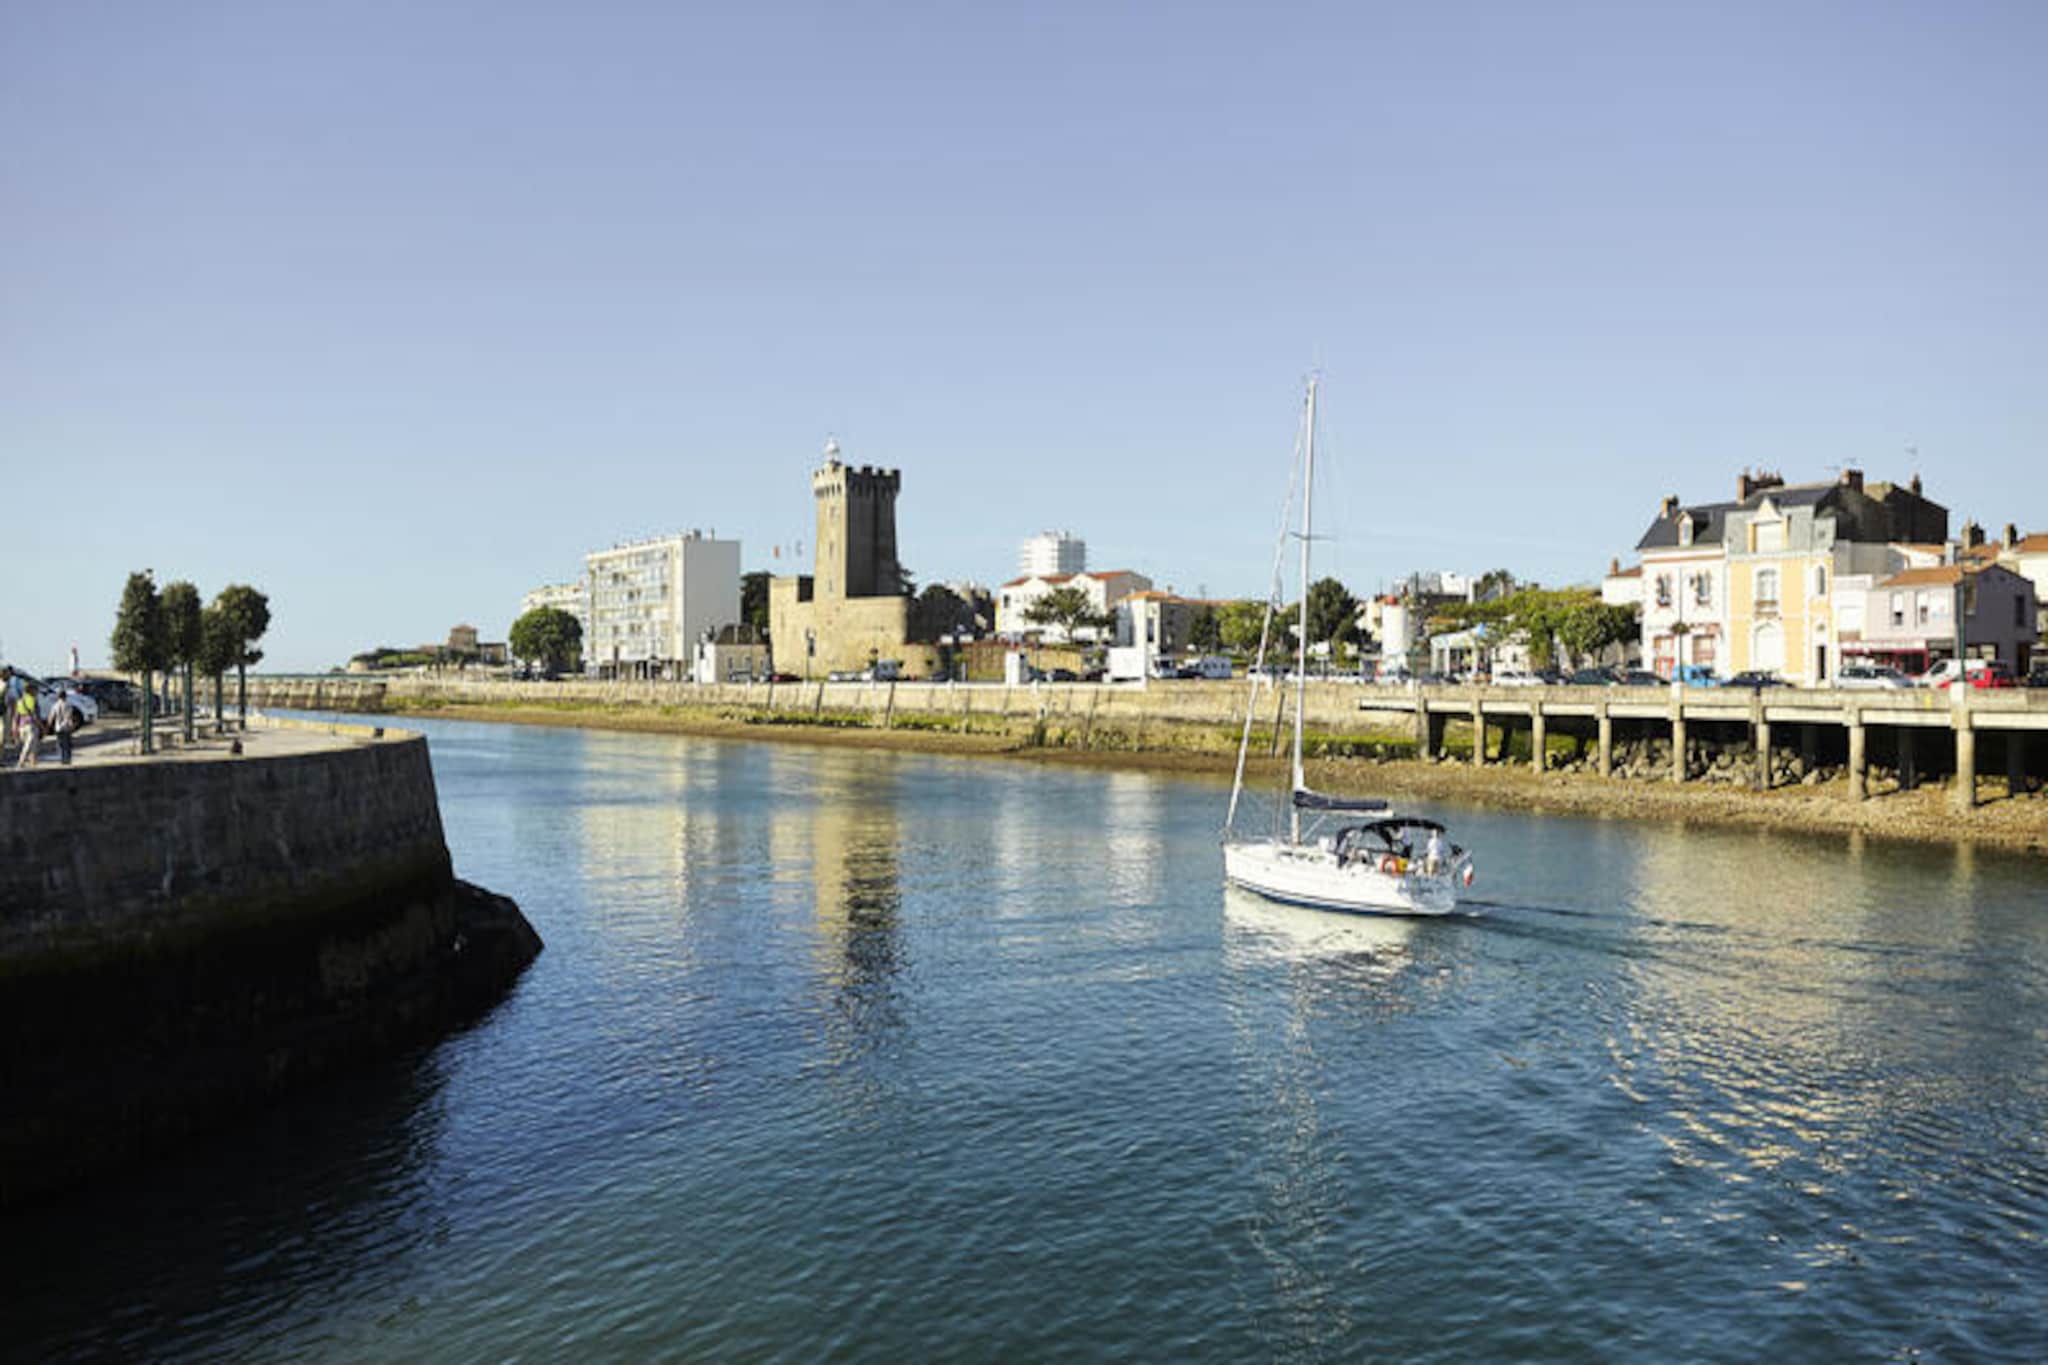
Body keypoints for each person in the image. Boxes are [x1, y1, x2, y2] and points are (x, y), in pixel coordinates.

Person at [48, 683, 82, 766]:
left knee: (60, 744)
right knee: (67, 744)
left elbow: (51, 716)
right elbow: (71, 717)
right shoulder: (69, 705)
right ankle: (67, 760)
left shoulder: (55, 705)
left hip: (58, 727)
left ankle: (61, 759)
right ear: (65, 696)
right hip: (67, 727)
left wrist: (48, 726)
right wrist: (73, 725)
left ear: (58, 696)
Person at [14, 681, 42, 768]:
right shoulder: (33, 700)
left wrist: (15, 727)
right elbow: (35, 716)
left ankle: (33, 763)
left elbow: (16, 715)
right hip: (31, 725)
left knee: (32, 745)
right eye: (36, 690)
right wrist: (42, 726)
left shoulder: (20, 701)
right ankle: (21, 762)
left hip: (22, 726)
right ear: (32, 690)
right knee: (29, 746)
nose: (37, 692)